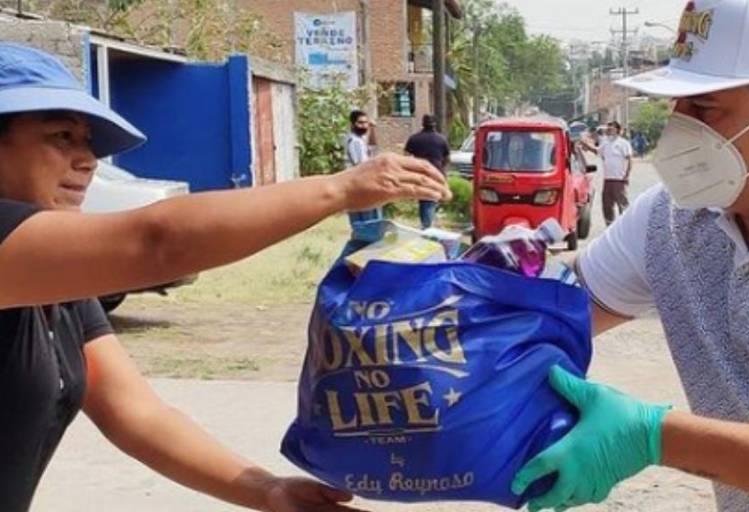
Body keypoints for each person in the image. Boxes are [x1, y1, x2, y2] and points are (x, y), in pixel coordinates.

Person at [0, 43, 450, 512]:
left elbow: (137, 415)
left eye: (87, 141)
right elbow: (159, 243)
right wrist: (339, 188)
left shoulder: (57, 285)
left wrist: (267, 491)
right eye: (61, 136)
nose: (88, 159)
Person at [510, 0, 749, 510]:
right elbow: (554, 314)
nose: (680, 129)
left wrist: (654, 435)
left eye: (706, 107)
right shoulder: (671, 221)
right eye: (676, 105)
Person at [580, 120, 633, 226]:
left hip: (619, 179)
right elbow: (597, 151)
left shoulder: (623, 143)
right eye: (608, 128)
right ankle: (610, 226)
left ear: (617, 130)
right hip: (608, 179)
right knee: (607, 204)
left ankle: (627, 225)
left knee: (622, 203)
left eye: (611, 128)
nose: (609, 130)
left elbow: (629, 159)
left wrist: (626, 175)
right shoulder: (605, 143)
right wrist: (584, 144)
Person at [404, 114, 451, 229]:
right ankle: (427, 228)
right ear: (435, 124)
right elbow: (447, 158)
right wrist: (441, 168)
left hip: (420, 174)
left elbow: (406, 157)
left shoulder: (414, 138)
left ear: (422, 123)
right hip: (436, 174)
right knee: (430, 201)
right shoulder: (441, 139)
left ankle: (427, 227)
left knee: (425, 201)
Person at [345, 110, 383, 232]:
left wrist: (372, 129)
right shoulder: (355, 141)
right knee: (369, 224)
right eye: (360, 123)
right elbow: (361, 165)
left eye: (366, 123)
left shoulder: (358, 139)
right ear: (353, 124)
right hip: (360, 185)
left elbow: (372, 146)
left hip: (356, 185)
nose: (364, 126)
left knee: (361, 226)